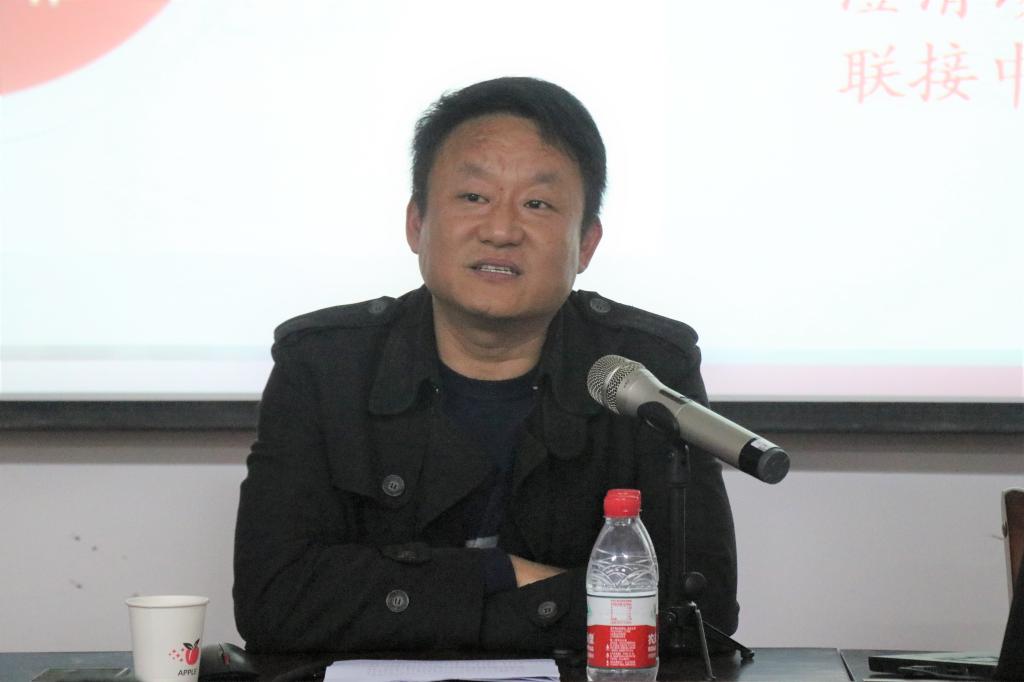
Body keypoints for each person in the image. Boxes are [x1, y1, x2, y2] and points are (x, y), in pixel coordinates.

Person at [233, 76, 739, 654]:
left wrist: (419, 600)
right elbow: (274, 601)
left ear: (586, 244)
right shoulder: (325, 367)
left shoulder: (644, 370)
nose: (500, 230)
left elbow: (698, 617)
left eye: (537, 204)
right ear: (416, 224)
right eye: (473, 197)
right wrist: (504, 575)